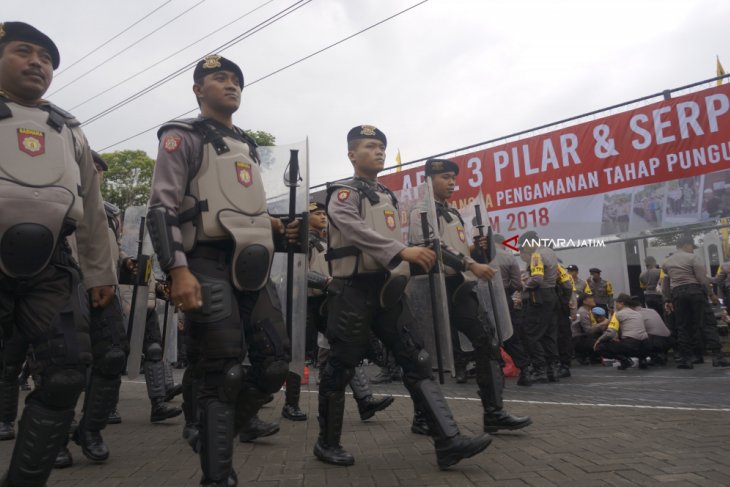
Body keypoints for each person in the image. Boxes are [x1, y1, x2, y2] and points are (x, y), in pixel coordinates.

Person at [146, 54, 298, 486]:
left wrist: (277, 226)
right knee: (222, 373)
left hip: (253, 270)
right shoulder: (182, 136)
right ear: (198, 89)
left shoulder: (247, 146)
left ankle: (215, 436)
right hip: (205, 263)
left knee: (273, 366)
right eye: (219, 78)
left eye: (236, 80)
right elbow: (162, 208)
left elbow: (244, 210)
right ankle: (218, 474)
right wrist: (177, 270)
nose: (231, 85)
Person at [318, 125, 492, 469]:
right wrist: (403, 250)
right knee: (340, 366)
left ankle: (448, 441)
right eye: (370, 146)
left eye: (382, 146)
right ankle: (326, 443)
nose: (379, 151)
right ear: (352, 155)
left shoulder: (386, 193)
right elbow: (353, 228)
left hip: (387, 290)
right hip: (352, 291)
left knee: (417, 360)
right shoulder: (343, 193)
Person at [0, 22, 117, 486]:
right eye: (23, 52)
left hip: (53, 268)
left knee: (67, 374)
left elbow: (90, 206)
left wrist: (99, 275)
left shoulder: (68, 128)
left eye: (45, 58)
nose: (36, 63)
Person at [408, 158, 531, 435]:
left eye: (453, 178)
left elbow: (459, 249)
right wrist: (470, 263)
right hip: (431, 288)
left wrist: (478, 250)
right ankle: (422, 416)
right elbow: (432, 247)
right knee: (426, 353)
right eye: (445, 177)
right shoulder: (421, 212)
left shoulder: (451, 213)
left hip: (459, 287)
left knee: (486, 343)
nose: (452, 183)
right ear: (429, 180)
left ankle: (494, 412)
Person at [662, 235, 729, 368]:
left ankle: (687, 359)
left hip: (677, 294)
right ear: (687, 245)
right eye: (692, 246)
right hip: (695, 291)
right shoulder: (693, 258)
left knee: (683, 326)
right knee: (707, 323)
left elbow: (666, 282)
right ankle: (717, 357)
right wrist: (712, 295)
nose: (692, 249)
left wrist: (667, 299)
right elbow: (702, 280)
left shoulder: (667, 262)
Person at [485, 235, 531, 386]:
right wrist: (507, 293)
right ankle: (525, 369)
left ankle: (497, 371)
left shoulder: (481, 255)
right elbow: (517, 284)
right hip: (503, 297)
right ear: (501, 243)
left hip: (485, 297)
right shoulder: (508, 256)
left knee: (489, 334)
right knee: (510, 333)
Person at [518, 231, 560, 383]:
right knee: (549, 334)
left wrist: (524, 286)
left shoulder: (537, 255)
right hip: (552, 295)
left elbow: (537, 279)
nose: (524, 249)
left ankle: (540, 369)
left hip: (539, 296)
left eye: (523, 246)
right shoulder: (550, 252)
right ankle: (552, 370)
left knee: (531, 333)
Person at [594, 295, 649, 370]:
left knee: (601, 347)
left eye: (617, 303)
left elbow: (610, 333)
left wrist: (599, 340)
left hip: (631, 345)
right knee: (629, 341)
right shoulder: (638, 314)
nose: (616, 305)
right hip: (646, 345)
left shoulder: (617, 314)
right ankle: (642, 360)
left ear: (621, 303)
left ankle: (625, 361)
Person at [570, 297, 606, 364]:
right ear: (585, 301)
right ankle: (582, 353)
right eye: (590, 298)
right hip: (579, 339)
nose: (593, 299)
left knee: (603, 335)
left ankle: (592, 356)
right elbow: (588, 331)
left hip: (583, 337)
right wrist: (603, 323)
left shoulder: (588, 311)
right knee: (603, 342)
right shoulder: (582, 312)